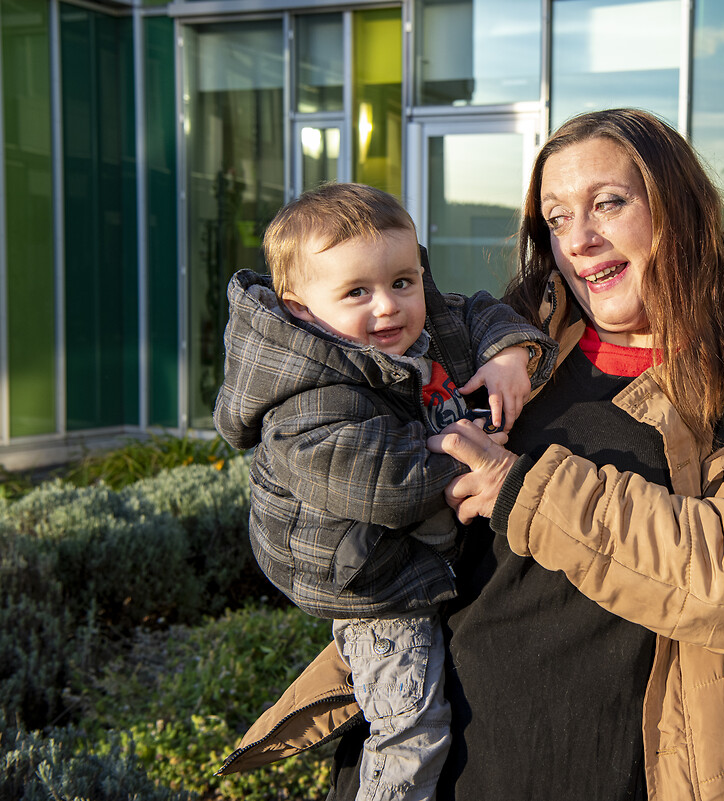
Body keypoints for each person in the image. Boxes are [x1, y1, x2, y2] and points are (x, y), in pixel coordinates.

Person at [222, 110, 724, 801]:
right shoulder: (522, 340)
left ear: (679, 207)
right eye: (557, 219)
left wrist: (523, 489)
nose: (580, 240)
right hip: (444, 764)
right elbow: (338, 439)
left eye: (609, 204)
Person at [211, 182, 557, 801]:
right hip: (368, 574)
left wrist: (512, 354)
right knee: (413, 724)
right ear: (301, 310)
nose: (389, 306)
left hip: (400, 540)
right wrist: (466, 455)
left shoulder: (407, 333)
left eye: (402, 281)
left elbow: (473, 310)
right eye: (357, 293)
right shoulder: (308, 398)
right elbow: (383, 483)